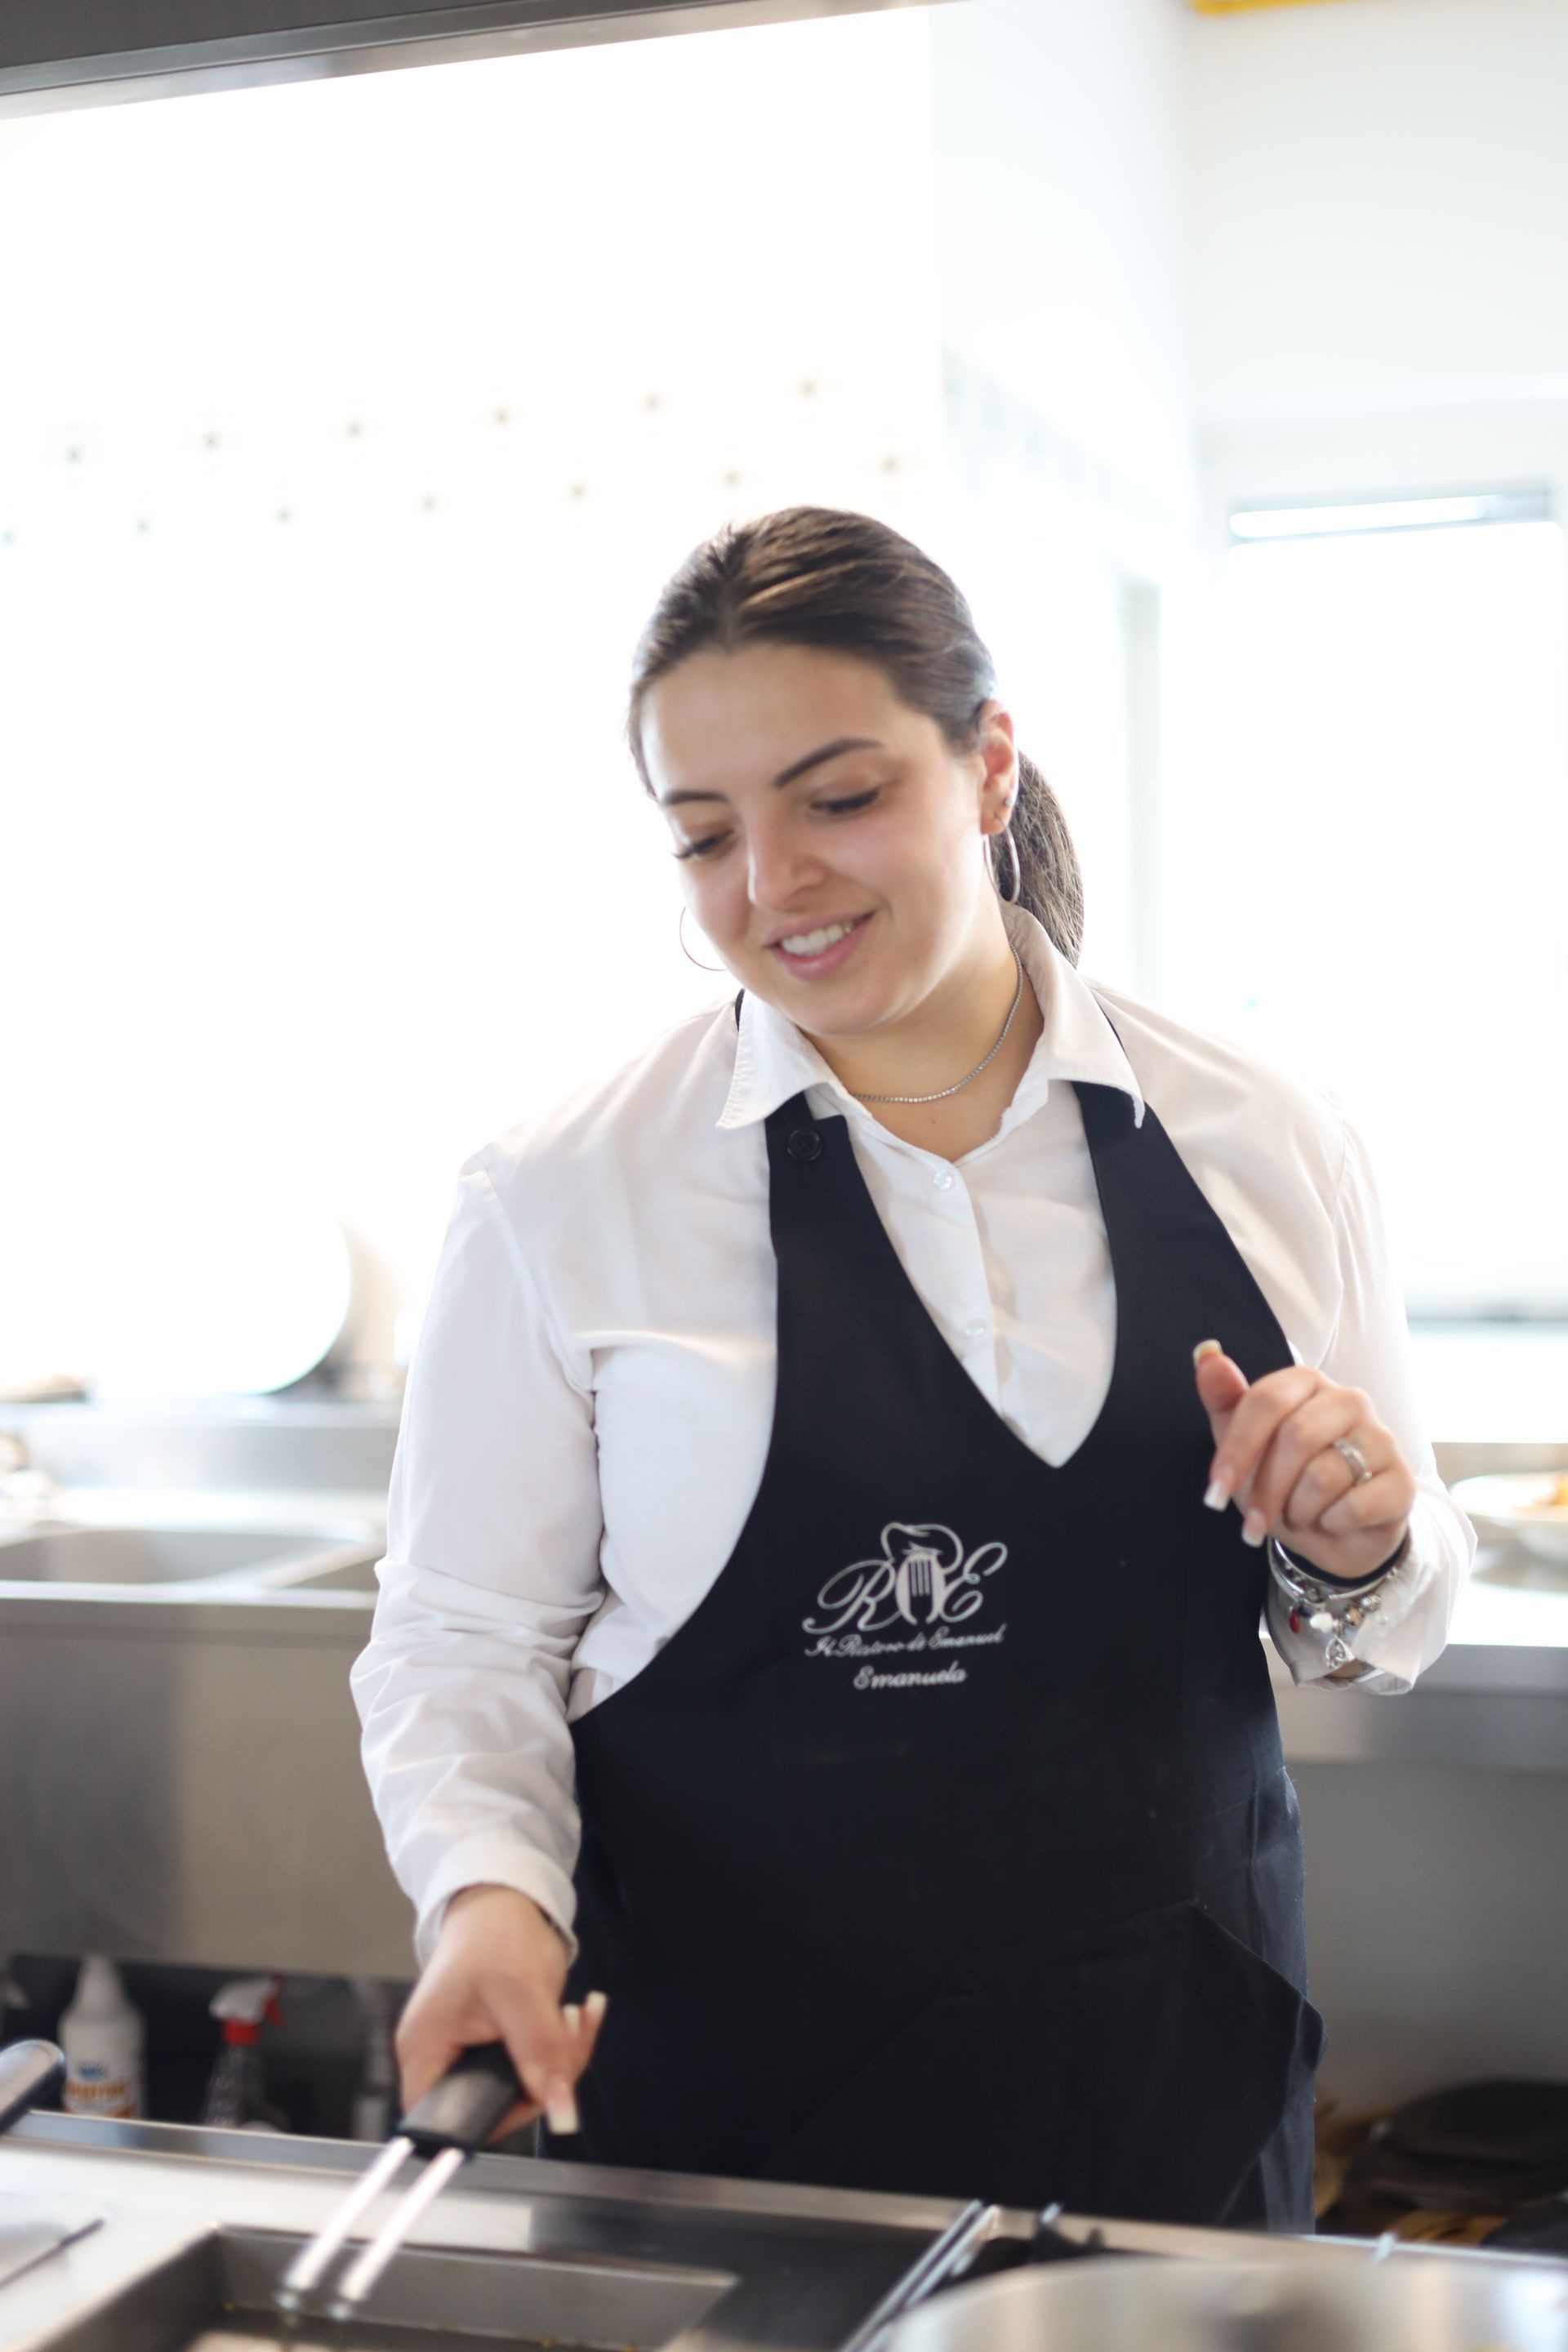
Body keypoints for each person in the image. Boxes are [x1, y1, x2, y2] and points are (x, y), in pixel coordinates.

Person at [351, 506, 1473, 2230]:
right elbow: (460, 1639)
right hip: (741, 2153)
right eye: (704, 834)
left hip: (1175, 2128)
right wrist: (490, 1898)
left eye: (841, 798)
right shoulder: (567, 1194)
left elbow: (1384, 1618)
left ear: (988, 767)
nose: (770, 886)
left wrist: (1361, 1542)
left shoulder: (1261, 1140)